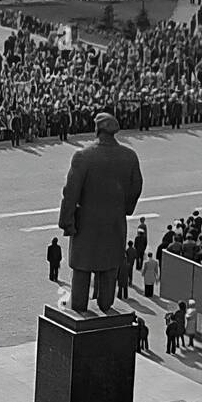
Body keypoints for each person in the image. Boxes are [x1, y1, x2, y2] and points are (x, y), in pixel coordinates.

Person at [58, 112, 144, 315]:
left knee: (82, 272)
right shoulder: (129, 156)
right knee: (108, 269)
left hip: (86, 226)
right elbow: (137, 186)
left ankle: (80, 309)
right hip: (114, 224)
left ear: (97, 130)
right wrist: (126, 208)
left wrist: (66, 222)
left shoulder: (83, 156)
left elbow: (70, 193)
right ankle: (106, 306)